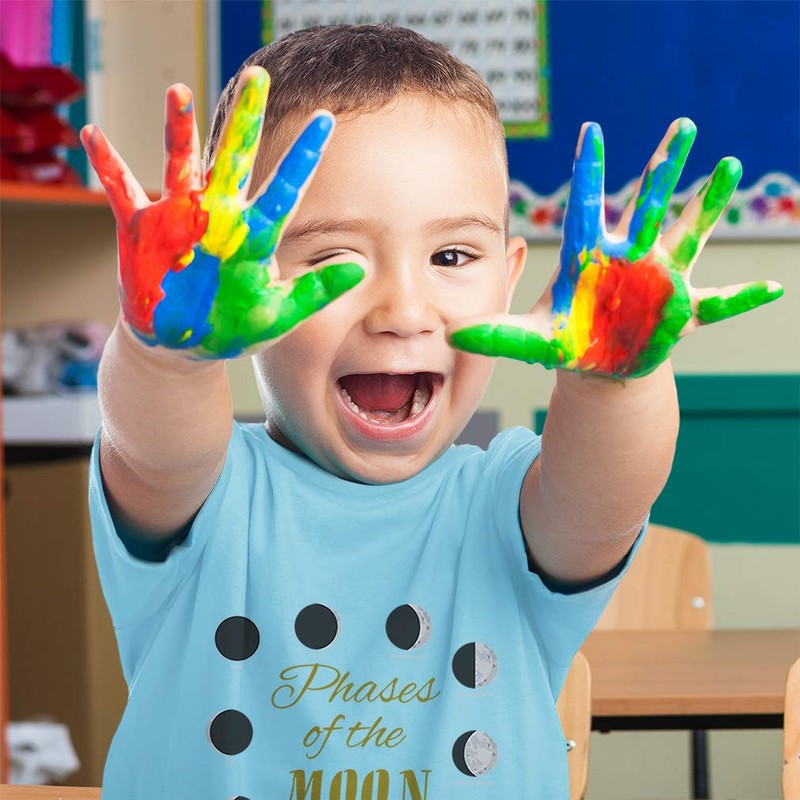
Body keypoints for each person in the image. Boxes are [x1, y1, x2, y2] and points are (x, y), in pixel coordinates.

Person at [81, 24, 781, 800]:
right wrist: (166, 350)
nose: (403, 310)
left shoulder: (509, 508)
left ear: (508, 280)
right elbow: (154, 443)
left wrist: (615, 378)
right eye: (334, 257)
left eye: (452, 257)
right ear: (237, 272)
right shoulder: (204, 494)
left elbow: (610, 493)